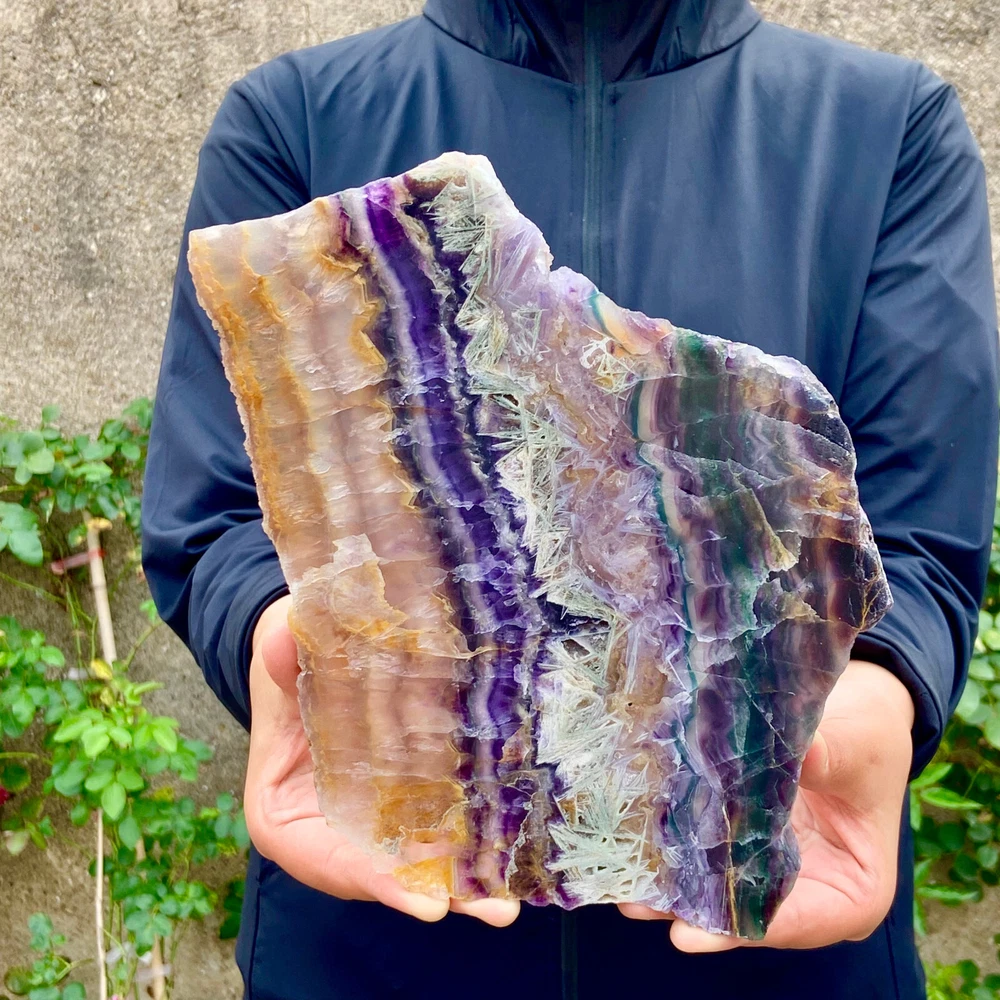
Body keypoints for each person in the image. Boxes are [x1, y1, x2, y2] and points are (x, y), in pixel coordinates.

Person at [141, 2, 999, 997]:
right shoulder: (295, 116)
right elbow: (215, 516)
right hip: (384, 937)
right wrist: (293, 647)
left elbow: (919, 539)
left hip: (765, 943)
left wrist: (876, 693)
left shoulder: (886, 127)